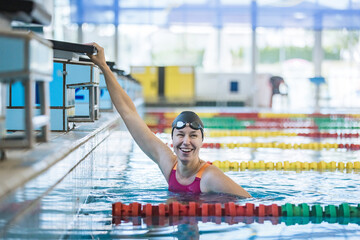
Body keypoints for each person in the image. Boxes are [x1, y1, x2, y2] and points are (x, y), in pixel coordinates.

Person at [88, 43, 252, 198]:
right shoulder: (169, 164)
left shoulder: (210, 177)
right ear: (171, 139)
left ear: (202, 140)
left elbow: (249, 202)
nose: (186, 141)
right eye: (180, 135)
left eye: (193, 135)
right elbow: (128, 112)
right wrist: (103, 66)